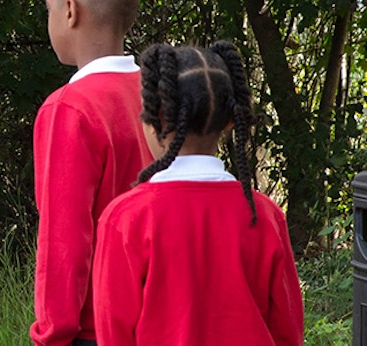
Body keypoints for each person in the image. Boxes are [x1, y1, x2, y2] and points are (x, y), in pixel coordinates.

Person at [92, 41, 303, 346]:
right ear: (231, 121)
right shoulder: (266, 216)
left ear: (157, 119)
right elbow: (287, 330)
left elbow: (114, 332)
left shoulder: (126, 219)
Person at [28, 0, 150, 344]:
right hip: (165, 317)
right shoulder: (162, 93)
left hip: (97, 326)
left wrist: (53, 334)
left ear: (70, 10)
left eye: (48, 10)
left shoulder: (69, 108)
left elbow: (64, 236)